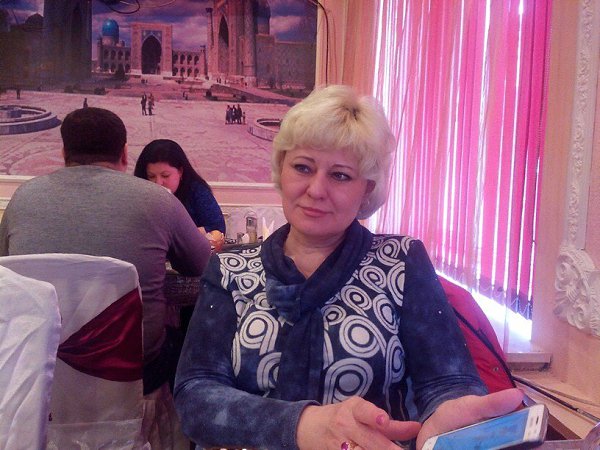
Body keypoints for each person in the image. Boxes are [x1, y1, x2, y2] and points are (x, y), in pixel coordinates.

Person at [173, 85, 523, 450]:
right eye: (303, 167)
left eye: (340, 175)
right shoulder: (230, 270)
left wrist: (447, 414)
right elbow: (195, 395)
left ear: (366, 189)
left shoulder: (401, 262)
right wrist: (301, 425)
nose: (316, 189)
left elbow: (447, 381)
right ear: (281, 169)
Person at [0, 107, 211, 395]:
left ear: (64, 153)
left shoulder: (23, 198)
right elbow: (203, 266)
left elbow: (7, 275)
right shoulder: (159, 200)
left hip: (41, 368)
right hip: (134, 371)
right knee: (183, 340)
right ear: (124, 154)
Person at [134, 139, 226, 235]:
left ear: (180, 171)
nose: (158, 183)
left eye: (165, 175)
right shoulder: (140, 192)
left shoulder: (196, 190)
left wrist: (180, 234)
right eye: (151, 176)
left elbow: (217, 228)